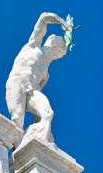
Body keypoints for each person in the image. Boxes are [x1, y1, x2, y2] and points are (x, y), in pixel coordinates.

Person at [5, 13, 72, 148]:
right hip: (17, 83)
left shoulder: (45, 74)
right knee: (17, 120)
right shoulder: (34, 46)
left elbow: (39, 93)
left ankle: (40, 146)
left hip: (32, 91)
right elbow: (44, 18)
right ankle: (16, 152)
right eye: (55, 49)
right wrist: (63, 23)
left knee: (47, 113)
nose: (54, 54)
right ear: (50, 44)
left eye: (57, 54)